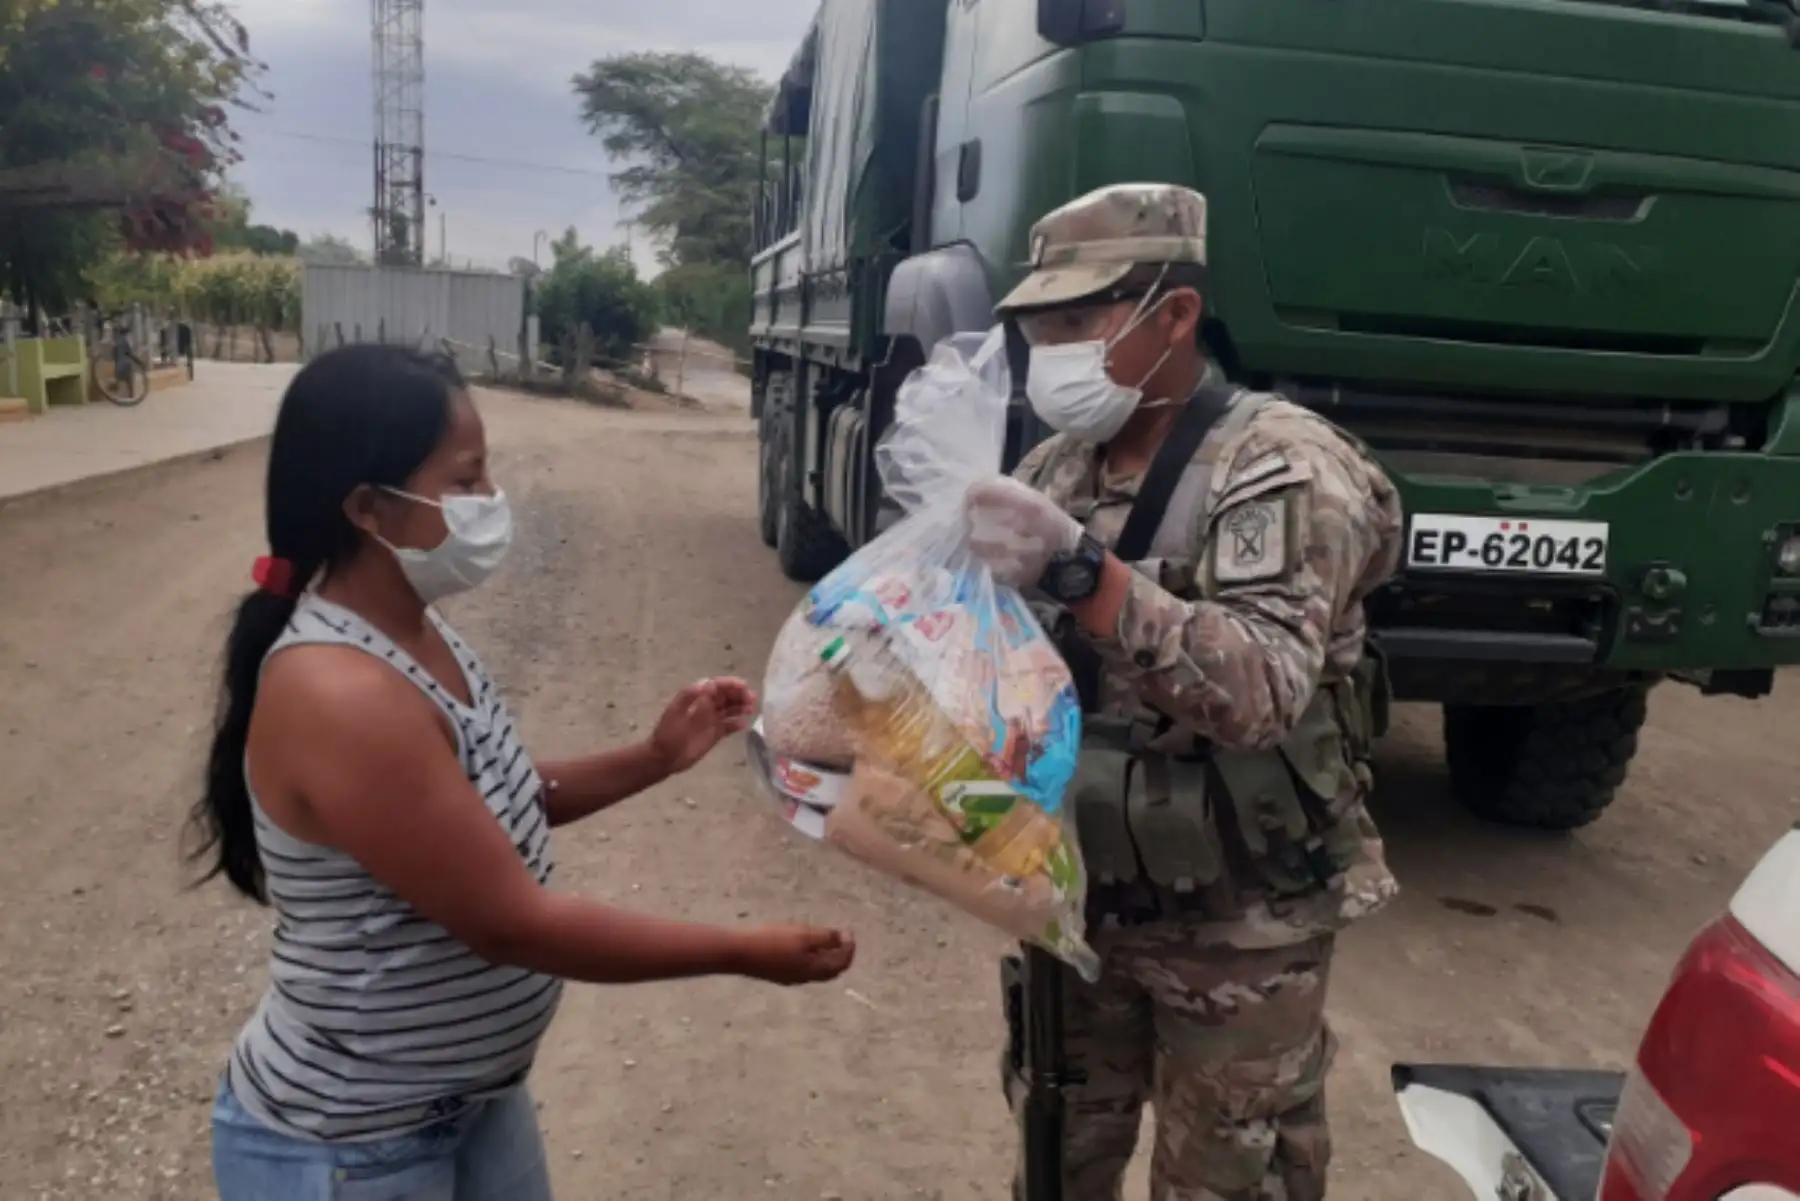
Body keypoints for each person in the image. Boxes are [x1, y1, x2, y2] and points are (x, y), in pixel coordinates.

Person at [189, 343, 856, 1201]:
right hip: (355, 1145)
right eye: (465, 481)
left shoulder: (415, 631)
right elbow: (511, 923)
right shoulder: (339, 692)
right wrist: (742, 949)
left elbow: (488, 803)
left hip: (470, 1106)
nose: (490, 502)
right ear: (367, 507)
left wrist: (653, 757)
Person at [962, 184, 1404, 1200]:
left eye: (1079, 321)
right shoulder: (1055, 465)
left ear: (1176, 315)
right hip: (1078, 896)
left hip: (1238, 916)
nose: (1052, 350)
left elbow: (1265, 691)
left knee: (1227, 1171)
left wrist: (1087, 575)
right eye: (1039, 327)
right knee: (1059, 1140)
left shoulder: (1281, 463)